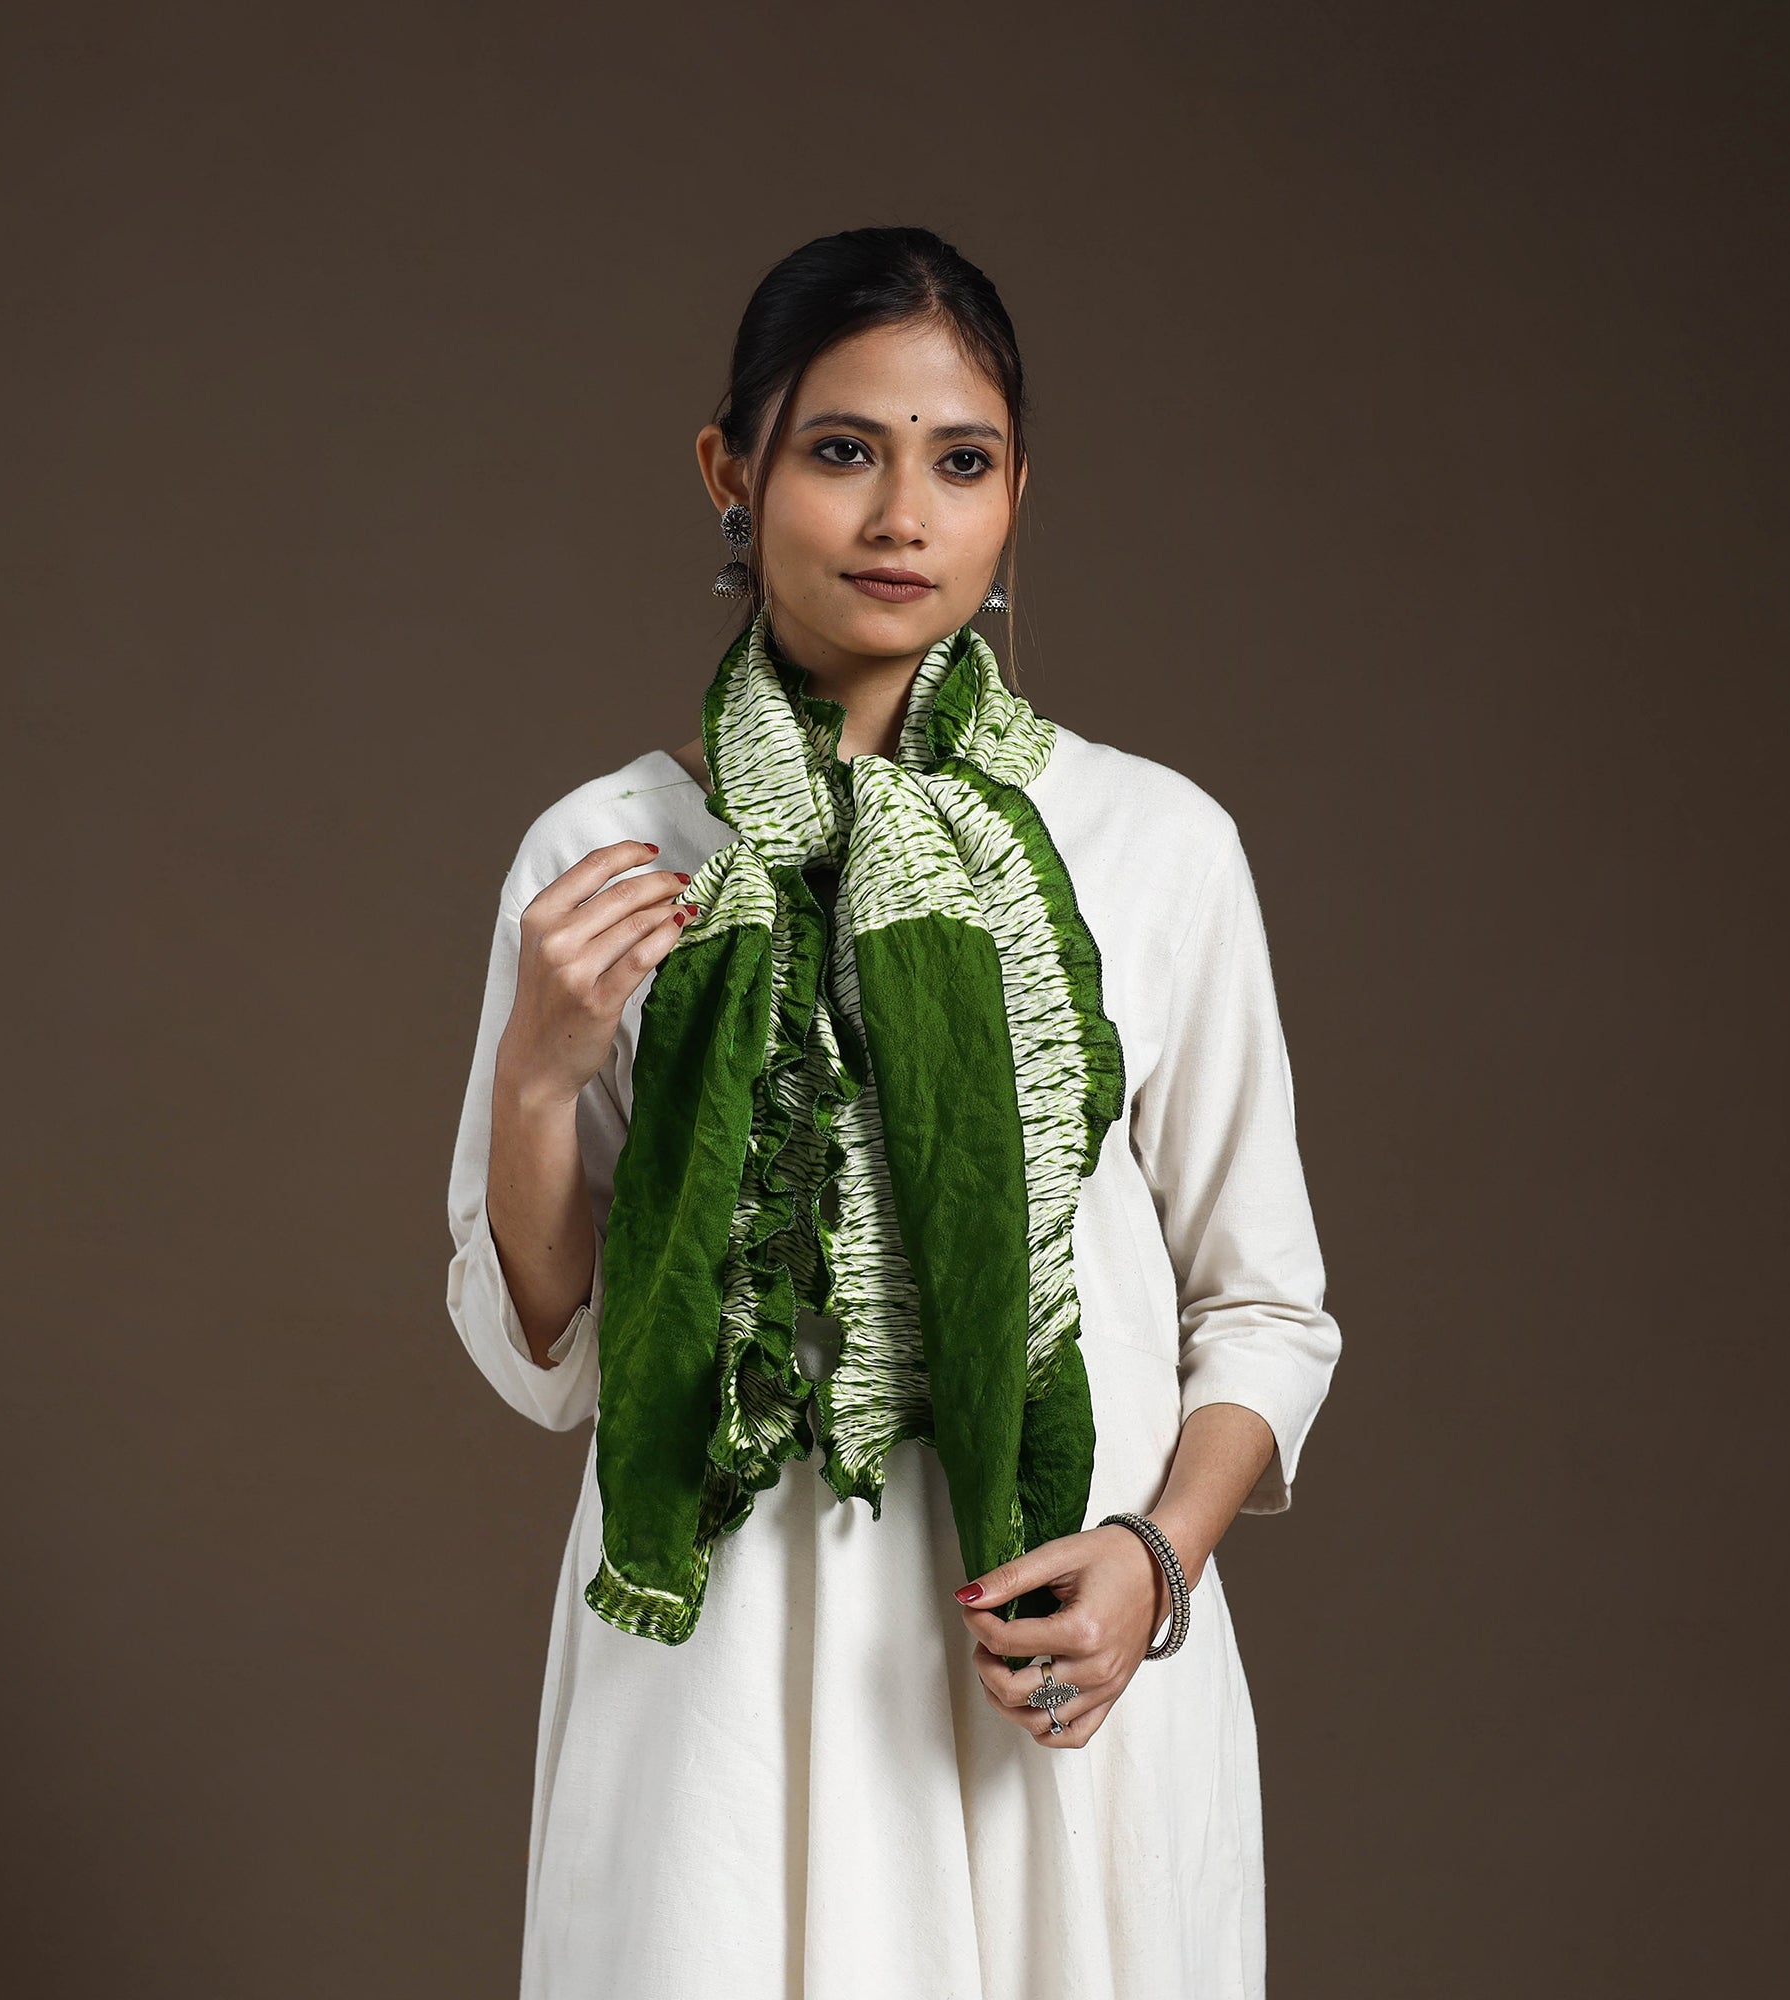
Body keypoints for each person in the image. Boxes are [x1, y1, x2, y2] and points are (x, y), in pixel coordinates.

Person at [444, 225, 1343, 2000]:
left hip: (1049, 1651)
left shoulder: (1153, 845)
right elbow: (549, 1354)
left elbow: (1267, 1308)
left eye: (964, 462)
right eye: (844, 449)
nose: (902, 516)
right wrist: (538, 1073)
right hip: (721, 1667)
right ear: (733, 470)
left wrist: (1152, 1567)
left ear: (1019, 495)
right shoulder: (608, 852)